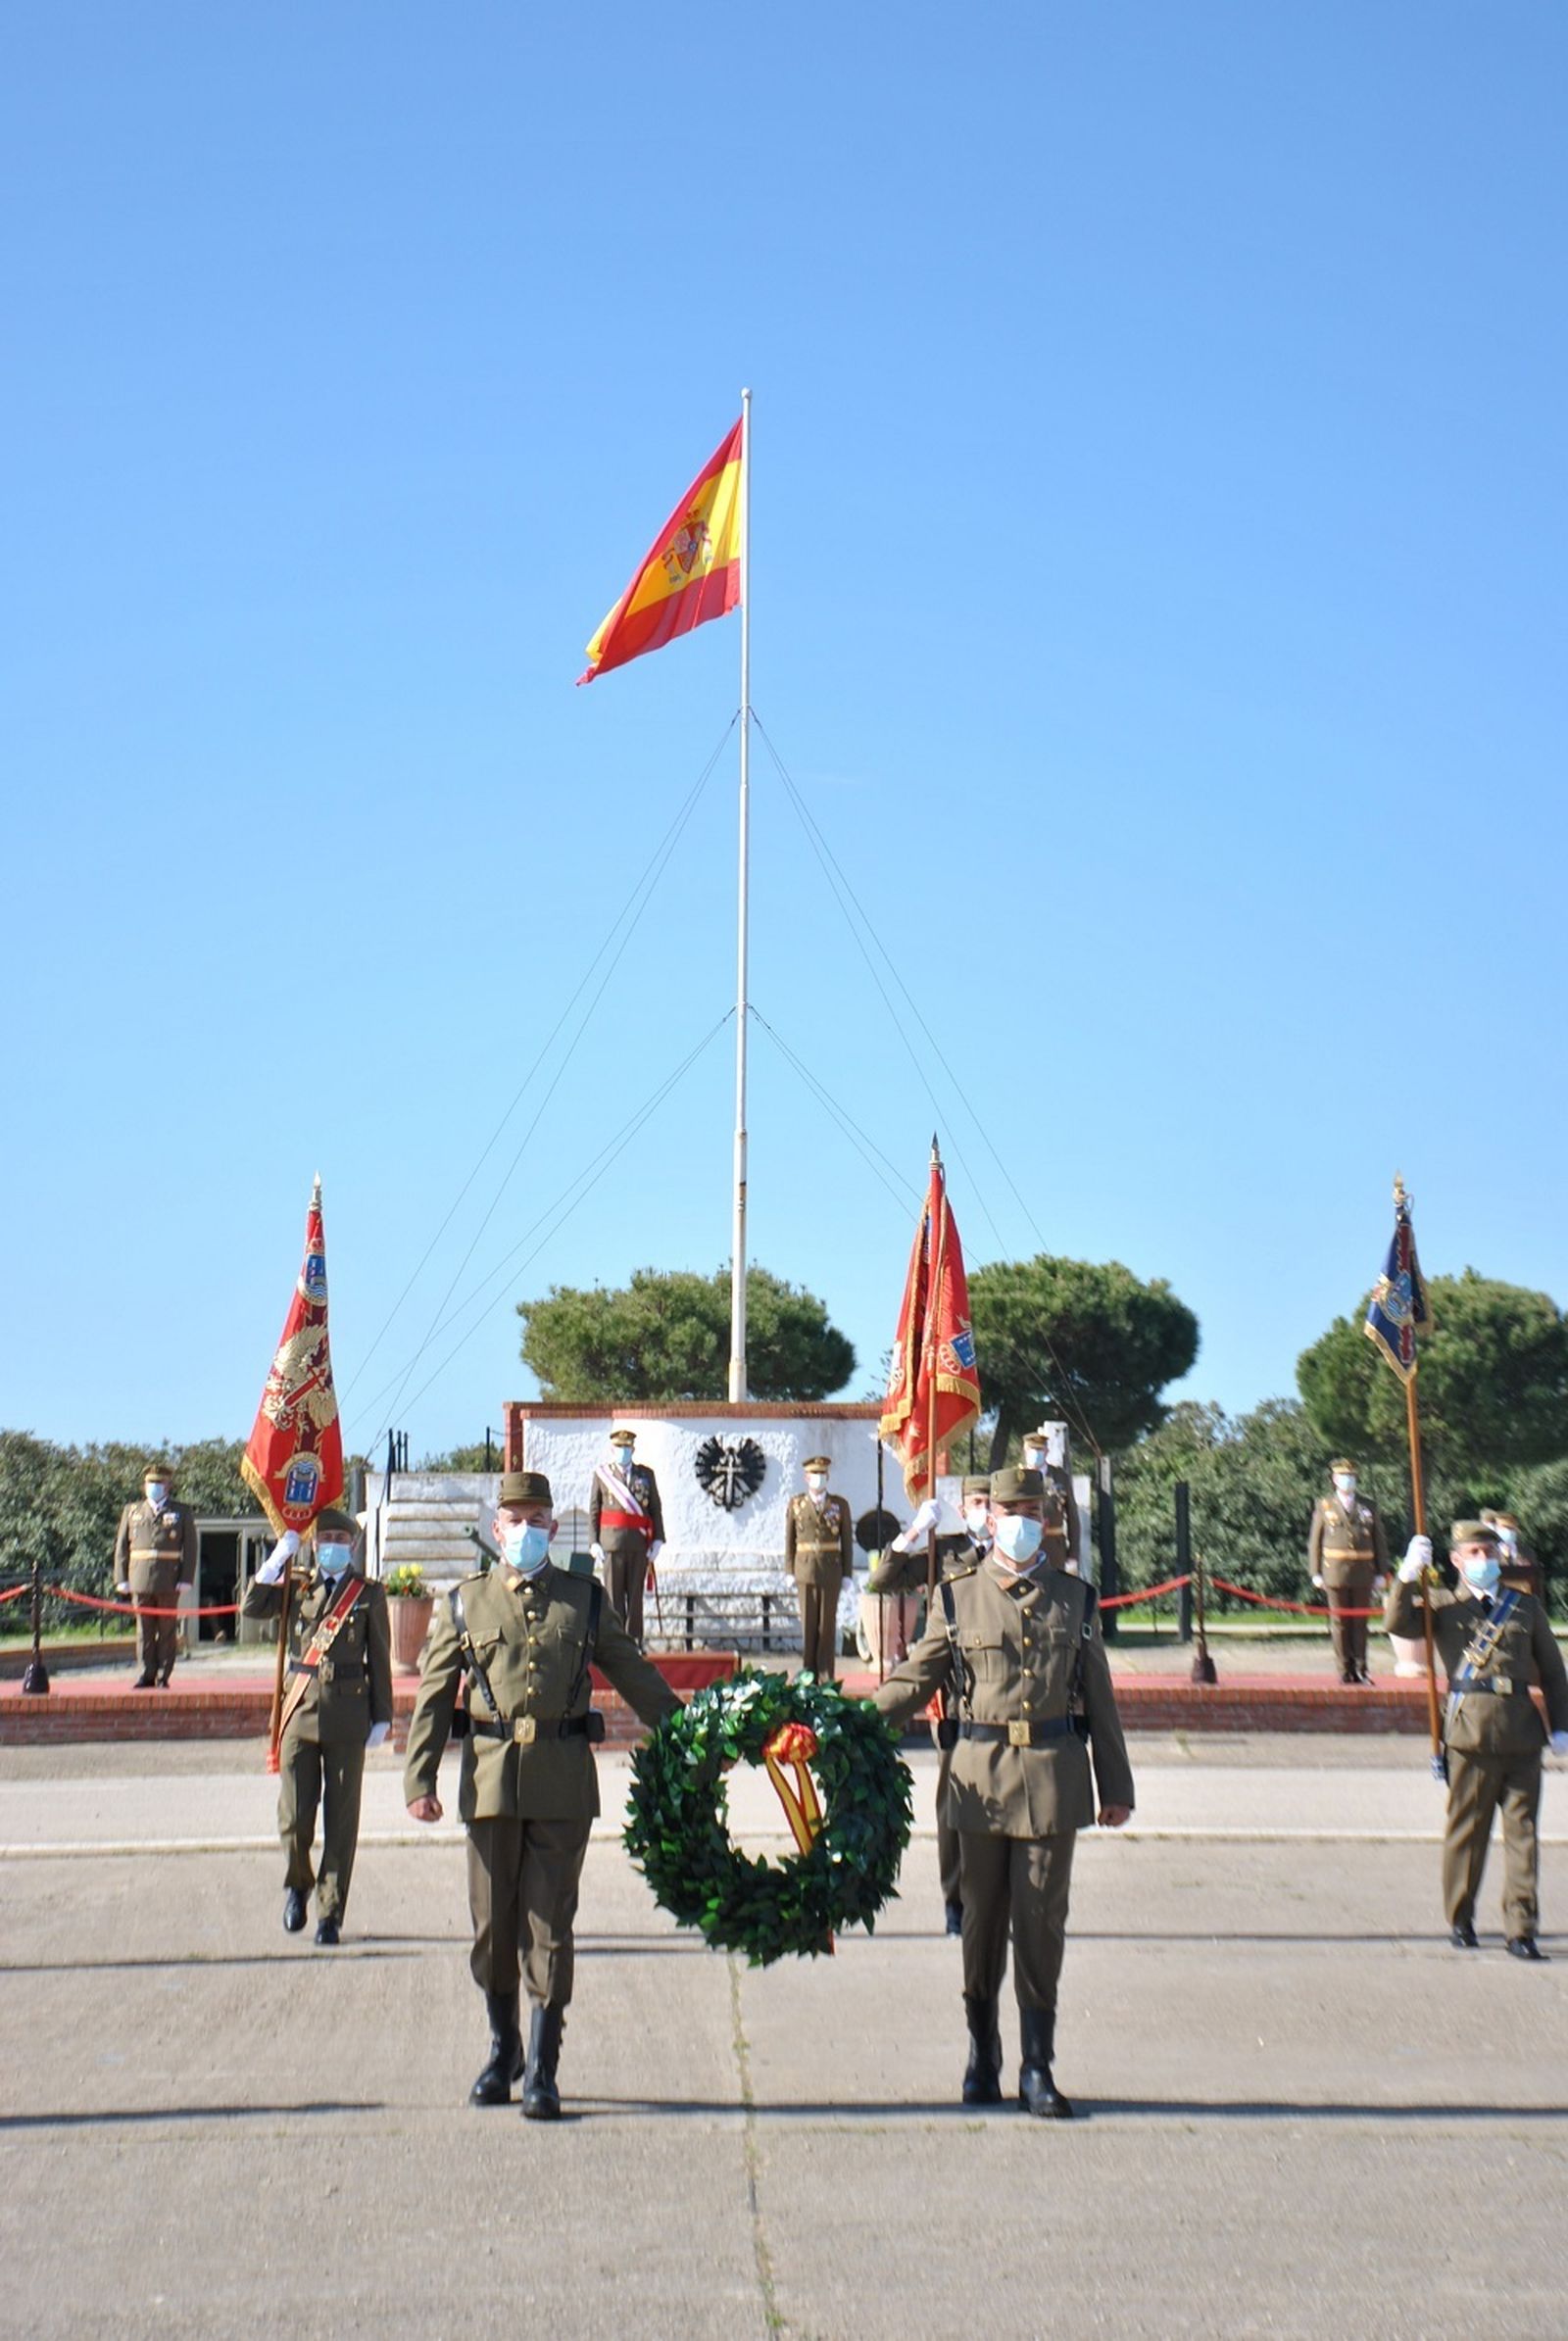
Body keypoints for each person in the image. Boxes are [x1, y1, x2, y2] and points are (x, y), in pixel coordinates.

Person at [404, 1468, 680, 2119]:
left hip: (562, 1782)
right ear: (496, 1528)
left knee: (548, 1925)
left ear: (554, 1528)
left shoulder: (581, 1600)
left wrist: (694, 1733)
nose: (525, 1531)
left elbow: (636, 1674)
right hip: (489, 1783)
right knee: (492, 1927)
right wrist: (421, 1779)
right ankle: (503, 2050)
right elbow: (434, 1696)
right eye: (514, 1521)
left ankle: (544, 2069)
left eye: (536, 1521)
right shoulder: (465, 1602)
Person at [873, 1464, 1134, 2116]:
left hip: (1053, 1776)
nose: (1019, 1521)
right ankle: (981, 2053)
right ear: (988, 1521)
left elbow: (1099, 1696)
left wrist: (1116, 1782)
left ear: (1045, 1520)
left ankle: (1037, 2064)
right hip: (977, 1779)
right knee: (981, 1922)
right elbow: (914, 1679)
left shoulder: (1074, 1598)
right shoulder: (957, 1596)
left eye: (1031, 1511)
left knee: (1042, 1921)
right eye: (1008, 1511)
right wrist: (847, 1719)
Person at [1387, 1521, 1568, 1959]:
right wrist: (1407, 1575)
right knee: (1468, 1831)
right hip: (1468, 1733)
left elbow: (1554, 1670)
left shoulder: (1525, 1607)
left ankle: (1521, 1927)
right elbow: (1395, 1621)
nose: (1484, 1561)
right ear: (1456, 1560)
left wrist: (1561, 1726)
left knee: (1522, 1834)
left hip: (1522, 1732)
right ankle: (1461, 1917)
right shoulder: (1442, 1604)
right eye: (1474, 1553)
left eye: (1489, 1553)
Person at [242, 1508, 392, 1946]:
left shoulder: (368, 1594)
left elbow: (379, 1657)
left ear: (352, 1546)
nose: (331, 1544)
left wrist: (383, 1715)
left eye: (338, 1538)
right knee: (293, 1818)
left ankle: (330, 1912)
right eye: (323, 1537)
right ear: (312, 1544)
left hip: (348, 1714)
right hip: (298, 1712)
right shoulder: (297, 1585)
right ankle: (297, 1886)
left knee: (342, 1821)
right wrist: (275, 1560)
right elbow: (253, 1608)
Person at [867, 1474, 991, 1935]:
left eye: (989, 1503)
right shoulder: (948, 1551)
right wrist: (911, 1534)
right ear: (964, 1505)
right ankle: (956, 1901)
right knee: (954, 1804)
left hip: (1005, 1697)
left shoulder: (1014, 1555)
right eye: (976, 1501)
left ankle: (1000, 1901)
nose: (984, 1509)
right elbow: (883, 1580)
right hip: (957, 1693)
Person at [113, 1458, 197, 1688]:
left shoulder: (181, 1511)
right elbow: (121, 1547)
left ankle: (163, 1673)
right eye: (151, 1483)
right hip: (139, 1578)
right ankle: (146, 1672)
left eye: (160, 1482)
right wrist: (121, 1578)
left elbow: (190, 1548)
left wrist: (186, 1578)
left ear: (168, 1485)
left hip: (169, 1578)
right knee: (144, 1629)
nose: (155, 1486)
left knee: (167, 1629)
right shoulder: (132, 1511)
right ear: (144, 1485)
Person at [1306, 1458, 1388, 1684]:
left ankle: (1361, 1668)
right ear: (1334, 1479)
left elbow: (1378, 1539)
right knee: (1340, 1622)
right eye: (1343, 1476)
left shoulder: (1368, 1505)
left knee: (1360, 1623)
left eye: (1351, 1476)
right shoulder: (1325, 1505)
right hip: (1334, 1573)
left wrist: (1382, 1571)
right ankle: (1344, 1668)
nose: (1348, 1480)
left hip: (1363, 1572)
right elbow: (1315, 1542)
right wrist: (1315, 1572)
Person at [588, 1428, 664, 1645]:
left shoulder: (645, 1475)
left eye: (627, 1447)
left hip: (639, 1544)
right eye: (619, 1447)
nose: (623, 1451)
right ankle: (615, 1641)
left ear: (633, 1449)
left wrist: (658, 1539)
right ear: (612, 1449)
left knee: (635, 1596)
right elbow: (595, 1510)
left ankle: (634, 1641)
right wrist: (593, 1541)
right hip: (611, 1543)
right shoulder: (602, 1475)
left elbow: (656, 1509)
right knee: (613, 1596)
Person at [784, 1453, 853, 1680]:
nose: (818, 1478)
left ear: (828, 1477)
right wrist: (788, 1569)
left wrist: (847, 1573)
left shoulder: (839, 1505)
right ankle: (808, 1675)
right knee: (809, 1627)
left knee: (827, 1626)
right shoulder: (796, 1505)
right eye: (814, 1474)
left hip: (831, 1570)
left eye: (822, 1474)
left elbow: (846, 1541)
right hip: (805, 1569)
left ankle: (826, 1676)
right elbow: (789, 1539)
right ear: (806, 1477)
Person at [1021, 1428, 1081, 1574]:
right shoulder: (1017, 1477)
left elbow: (1072, 1516)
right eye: (1031, 1449)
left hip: (1054, 1548)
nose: (1035, 1453)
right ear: (1025, 1451)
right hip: (1024, 1547)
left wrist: (1073, 1555)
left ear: (1046, 1451)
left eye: (1039, 1449)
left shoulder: (1060, 1477)